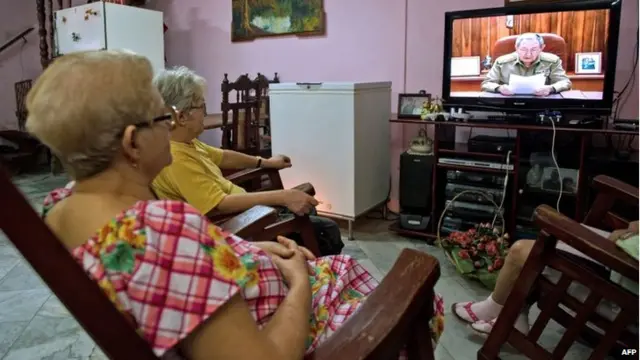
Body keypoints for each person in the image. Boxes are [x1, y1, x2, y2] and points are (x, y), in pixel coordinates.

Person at [26, 50, 445, 359]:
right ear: (132, 142)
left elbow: (187, 265)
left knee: (336, 261)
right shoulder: (165, 232)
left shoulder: (60, 208)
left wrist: (248, 250)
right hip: (288, 312)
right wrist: (299, 282)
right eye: (161, 119)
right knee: (410, 288)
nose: (173, 125)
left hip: (249, 280)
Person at [150, 66, 344, 256]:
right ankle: (314, 278)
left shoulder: (185, 142)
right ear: (181, 116)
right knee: (327, 231)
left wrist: (265, 162)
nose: (206, 113)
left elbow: (223, 156)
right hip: (238, 228)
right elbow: (220, 204)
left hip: (245, 215)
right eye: (202, 106)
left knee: (308, 212)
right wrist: (283, 196)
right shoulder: (175, 159)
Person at [452, 221, 638, 335]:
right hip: (626, 265)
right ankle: (517, 318)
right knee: (563, 231)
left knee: (522, 252)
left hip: (624, 284)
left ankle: (494, 308)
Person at [481, 33, 572, 96]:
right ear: (516, 48)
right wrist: (499, 88)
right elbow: (486, 84)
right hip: (509, 103)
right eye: (523, 49)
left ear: (542, 48)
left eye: (534, 50)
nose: (528, 54)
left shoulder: (552, 61)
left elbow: (565, 83)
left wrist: (550, 88)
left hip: (541, 103)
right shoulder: (502, 62)